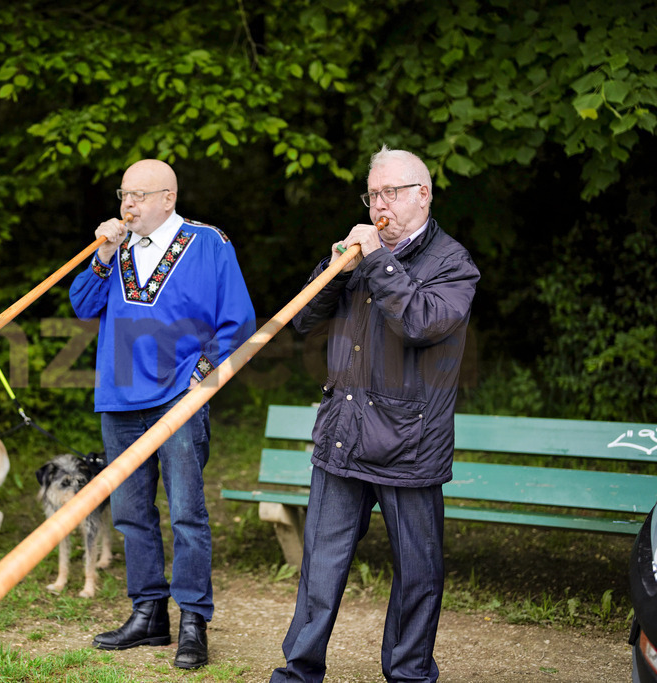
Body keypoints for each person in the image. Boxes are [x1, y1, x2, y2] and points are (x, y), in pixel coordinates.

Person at [271, 146, 480, 683]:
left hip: (410, 441)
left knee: (417, 573)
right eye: (373, 194)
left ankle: (409, 674)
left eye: (391, 192)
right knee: (320, 564)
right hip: (343, 432)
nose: (380, 204)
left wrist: (378, 261)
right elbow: (302, 319)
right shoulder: (358, 255)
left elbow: (421, 323)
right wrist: (339, 266)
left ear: (423, 195)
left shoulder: (453, 264)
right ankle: (299, 671)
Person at [69, 159, 255, 670]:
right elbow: (82, 306)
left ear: (167, 198)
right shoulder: (116, 247)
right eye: (122, 195)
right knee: (132, 513)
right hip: (120, 399)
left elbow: (237, 320)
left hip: (179, 397)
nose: (126, 206)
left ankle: (193, 619)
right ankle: (148, 613)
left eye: (137, 196)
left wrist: (202, 373)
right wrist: (102, 257)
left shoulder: (209, 243)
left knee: (186, 513)